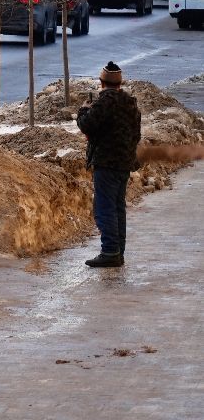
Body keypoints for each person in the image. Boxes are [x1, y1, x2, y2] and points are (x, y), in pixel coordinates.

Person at [76, 61, 142, 268]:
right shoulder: (131, 103)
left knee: (104, 209)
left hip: (106, 162)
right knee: (117, 207)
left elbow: (87, 125)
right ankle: (118, 251)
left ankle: (110, 251)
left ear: (101, 83)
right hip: (124, 162)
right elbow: (136, 135)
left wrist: (82, 111)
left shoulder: (105, 102)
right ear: (119, 83)